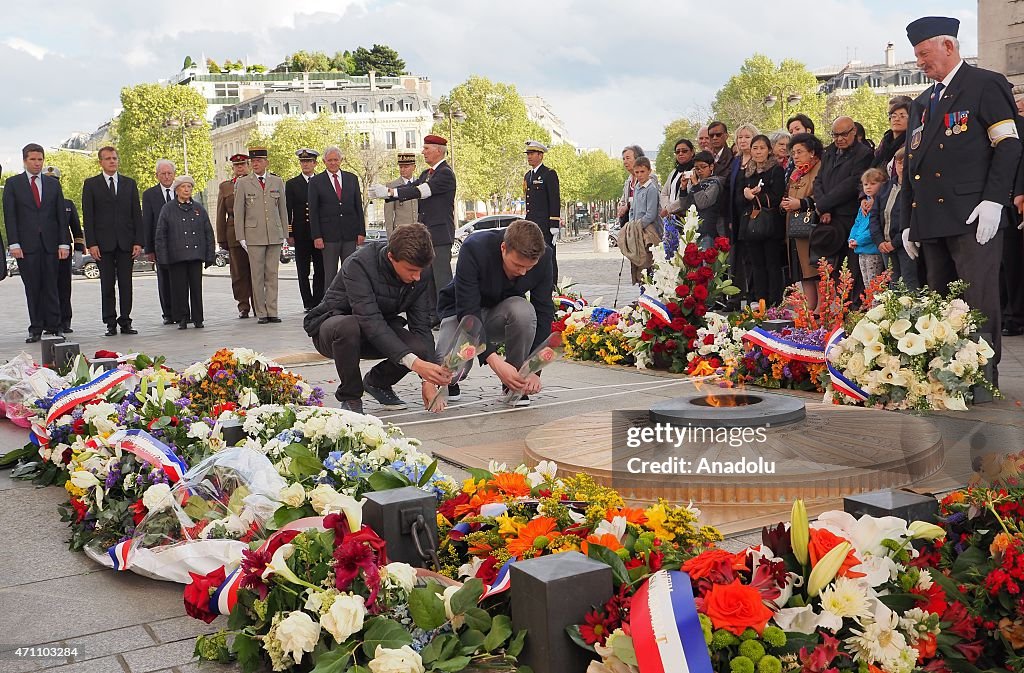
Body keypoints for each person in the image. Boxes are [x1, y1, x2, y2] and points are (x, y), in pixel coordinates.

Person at [901, 16, 1022, 373]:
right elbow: (912, 163)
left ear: (948, 46)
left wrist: (994, 200)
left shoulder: (985, 84)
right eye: (917, 56)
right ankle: (946, 374)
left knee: (977, 298)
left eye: (924, 54)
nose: (920, 63)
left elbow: (1008, 145)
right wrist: (908, 221)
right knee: (940, 301)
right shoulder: (923, 102)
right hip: (932, 219)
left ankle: (981, 375)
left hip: (972, 215)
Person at [304, 223, 451, 414]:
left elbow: (421, 326)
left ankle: (377, 383)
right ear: (391, 257)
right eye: (410, 270)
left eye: (421, 270)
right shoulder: (359, 264)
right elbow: (369, 320)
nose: (417, 277)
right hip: (335, 330)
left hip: (378, 329)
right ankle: (351, 397)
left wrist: (428, 380)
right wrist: (417, 365)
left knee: (417, 347)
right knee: (348, 326)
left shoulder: (420, 272)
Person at [437, 220, 554, 406]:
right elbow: (469, 311)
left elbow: (544, 311)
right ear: (503, 248)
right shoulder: (474, 248)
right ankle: (453, 382)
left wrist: (534, 368)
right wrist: (494, 361)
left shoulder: (545, 257)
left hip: (499, 315)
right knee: (449, 372)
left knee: (524, 311)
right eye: (517, 265)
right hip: (461, 315)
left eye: (529, 267)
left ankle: (514, 381)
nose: (523, 272)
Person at [370, 135, 457, 328]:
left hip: (440, 234)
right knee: (429, 278)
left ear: (438, 150)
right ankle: (434, 315)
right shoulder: (428, 172)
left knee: (441, 277)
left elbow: (421, 191)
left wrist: (392, 193)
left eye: (426, 148)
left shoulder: (445, 173)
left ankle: (449, 315)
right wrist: (386, 191)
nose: (423, 152)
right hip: (428, 233)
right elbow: (410, 186)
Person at [3, 144, 70, 342]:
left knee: (52, 285)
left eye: (40, 159)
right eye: (33, 159)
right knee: (33, 287)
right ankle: (36, 328)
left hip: (50, 244)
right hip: (26, 245)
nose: (37, 163)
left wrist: (63, 243)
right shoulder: (13, 184)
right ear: (25, 160)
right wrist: (14, 243)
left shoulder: (52, 185)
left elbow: (60, 215)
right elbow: (10, 215)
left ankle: (55, 326)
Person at [81, 146, 143, 336]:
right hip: (103, 244)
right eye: (108, 159)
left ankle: (126, 321)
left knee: (126, 284)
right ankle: (110, 322)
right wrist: (91, 243)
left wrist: (138, 241)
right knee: (107, 284)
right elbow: (88, 216)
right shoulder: (91, 184)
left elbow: (136, 214)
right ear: (101, 162)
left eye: (115, 158)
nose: (112, 161)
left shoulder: (129, 183)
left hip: (126, 243)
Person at [813, 116, 874, 284]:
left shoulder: (863, 153)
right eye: (835, 135)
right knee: (831, 267)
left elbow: (851, 184)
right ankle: (837, 305)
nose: (839, 139)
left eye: (844, 134)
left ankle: (852, 305)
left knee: (851, 268)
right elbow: (818, 181)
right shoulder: (829, 152)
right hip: (829, 216)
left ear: (853, 131)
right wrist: (823, 208)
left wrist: (824, 204)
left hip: (849, 216)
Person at [234, 147, 288, 325]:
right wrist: (241, 236)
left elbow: (282, 209)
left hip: (274, 234)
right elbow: (238, 211)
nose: (255, 164)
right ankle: (261, 312)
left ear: (266, 162)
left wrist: (285, 234)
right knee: (256, 275)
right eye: (253, 162)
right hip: (253, 235)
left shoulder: (277, 181)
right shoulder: (243, 183)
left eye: (259, 161)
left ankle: (273, 310)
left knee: (272, 274)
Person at [154, 176, 215, 329]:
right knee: (179, 289)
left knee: (196, 287)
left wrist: (209, 255)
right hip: (177, 256)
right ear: (177, 190)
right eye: (183, 187)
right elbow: (161, 235)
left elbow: (208, 232)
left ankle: (198, 318)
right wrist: (163, 258)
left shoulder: (199, 209)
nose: (187, 190)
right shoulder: (168, 209)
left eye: (189, 187)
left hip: (195, 256)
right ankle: (182, 317)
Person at [307, 146, 365, 290]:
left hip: (349, 234)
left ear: (341, 160)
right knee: (330, 274)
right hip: (328, 236)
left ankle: (351, 303)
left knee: (351, 272)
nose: (333, 163)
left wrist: (361, 231)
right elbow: (313, 211)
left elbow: (358, 206)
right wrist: (317, 236)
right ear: (324, 161)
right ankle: (331, 307)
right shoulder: (316, 182)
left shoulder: (352, 179)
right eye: (330, 160)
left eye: (336, 160)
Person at [780, 133, 824, 311]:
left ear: (812, 152)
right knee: (802, 271)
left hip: (813, 225)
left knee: (815, 269)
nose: (795, 156)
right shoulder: (796, 173)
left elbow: (822, 195)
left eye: (800, 152)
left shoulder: (820, 167)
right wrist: (785, 203)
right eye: (793, 153)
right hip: (794, 226)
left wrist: (802, 203)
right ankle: (810, 308)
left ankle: (822, 308)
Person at [741, 135, 786, 305]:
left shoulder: (776, 169)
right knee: (756, 264)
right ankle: (761, 300)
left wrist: (754, 195)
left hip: (770, 224)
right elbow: (740, 196)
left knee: (772, 264)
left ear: (769, 150)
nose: (758, 152)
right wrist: (746, 195)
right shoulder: (748, 171)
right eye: (755, 148)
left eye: (762, 148)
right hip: (752, 224)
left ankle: (775, 300)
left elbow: (776, 196)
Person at [43, 166, 85, 333]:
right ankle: (49, 322)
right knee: (46, 287)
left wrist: (79, 249)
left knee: (64, 287)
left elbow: (76, 228)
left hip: (64, 252)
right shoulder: (38, 205)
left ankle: (65, 320)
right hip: (44, 251)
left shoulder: (67, 204)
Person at [869, 148, 918, 289]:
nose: (902, 166)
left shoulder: (914, 188)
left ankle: (912, 310)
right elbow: (874, 215)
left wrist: (895, 243)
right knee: (893, 280)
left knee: (909, 280)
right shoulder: (886, 187)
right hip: (885, 244)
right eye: (899, 163)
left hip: (904, 243)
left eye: (906, 162)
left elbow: (912, 218)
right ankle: (894, 310)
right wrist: (879, 241)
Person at [286, 148, 325, 311]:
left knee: (320, 269)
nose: (306, 165)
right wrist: (289, 233)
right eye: (303, 162)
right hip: (301, 233)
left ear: (315, 163)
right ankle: (308, 303)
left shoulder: (322, 182)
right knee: (303, 271)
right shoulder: (292, 184)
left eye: (309, 161)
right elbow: (288, 210)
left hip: (319, 233)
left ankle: (318, 300)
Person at [217, 154, 255, 319]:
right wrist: (221, 238)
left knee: (257, 270)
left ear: (248, 166)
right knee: (239, 272)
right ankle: (243, 305)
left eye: (243, 165)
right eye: (237, 165)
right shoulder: (226, 187)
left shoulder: (256, 182)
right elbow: (220, 214)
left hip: (255, 232)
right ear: (233, 168)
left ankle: (259, 304)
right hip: (234, 233)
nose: (240, 168)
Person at [141, 159, 177, 324]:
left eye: (169, 173)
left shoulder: (181, 190)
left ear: (174, 175)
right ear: (157, 176)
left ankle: (182, 311)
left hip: (180, 244)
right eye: (163, 173)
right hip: (160, 245)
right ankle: (168, 313)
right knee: (164, 280)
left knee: (181, 279)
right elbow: (147, 222)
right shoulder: (149, 195)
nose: (167, 176)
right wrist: (149, 249)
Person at [523, 140, 562, 284]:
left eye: (532, 153)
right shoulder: (528, 176)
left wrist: (554, 224)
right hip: (532, 225)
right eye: (528, 154)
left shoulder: (549, 174)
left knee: (548, 256)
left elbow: (554, 199)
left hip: (545, 225)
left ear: (541, 155)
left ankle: (552, 286)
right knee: (533, 256)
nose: (529, 157)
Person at [849, 168, 888, 287]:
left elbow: (875, 228)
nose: (868, 187)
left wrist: (858, 240)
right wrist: (851, 238)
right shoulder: (864, 204)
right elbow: (857, 223)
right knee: (866, 284)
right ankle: (870, 303)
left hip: (872, 249)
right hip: (861, 249)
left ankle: (874, 304)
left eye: (873, 184)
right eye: (866, 184)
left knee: (874, 284)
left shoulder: (880, 203)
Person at [678, 151, 726, 247]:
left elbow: (703, 203)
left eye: (703, 167)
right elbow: (684, 206)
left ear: (711, 167)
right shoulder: (696, 185)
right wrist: (683, 188)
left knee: (706, 259)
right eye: (696, 168)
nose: (699, 171)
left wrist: (696, 185)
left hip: (708, 232)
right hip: (693, 231)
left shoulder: (714, 183)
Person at [873, 96, 912, 177]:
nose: (896, 119)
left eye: (902, 116)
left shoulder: (911, 141)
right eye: (893, 115)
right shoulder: (886, 139)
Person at [383, 153, 419, 237]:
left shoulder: (420, 185)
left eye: (406, 167)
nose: (402, 169)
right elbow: (388, 215)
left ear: (414, 167)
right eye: (400, 167)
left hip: (418, 233)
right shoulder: (392, 186)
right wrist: (390, 238)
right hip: (401, 234)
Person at [659, 139, 695, 217]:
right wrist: (666, 207)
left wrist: (669, 209)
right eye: (677, 152)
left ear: (692, 152)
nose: (680, 154)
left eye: (684, 151)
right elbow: (664, 193)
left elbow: (688, 195)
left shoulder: (694, 171)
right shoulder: (674, 172)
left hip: (685, 217)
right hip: (669, 216)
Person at [616, 145, 646, 226]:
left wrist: (628, 206)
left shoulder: (649, 178)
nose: (625, 162)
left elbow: (644, 200)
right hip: (630, 226)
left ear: (638, 159)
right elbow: (623, 200)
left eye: (628, 158)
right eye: (623, 159)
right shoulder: (628, 182)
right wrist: (621, 206)